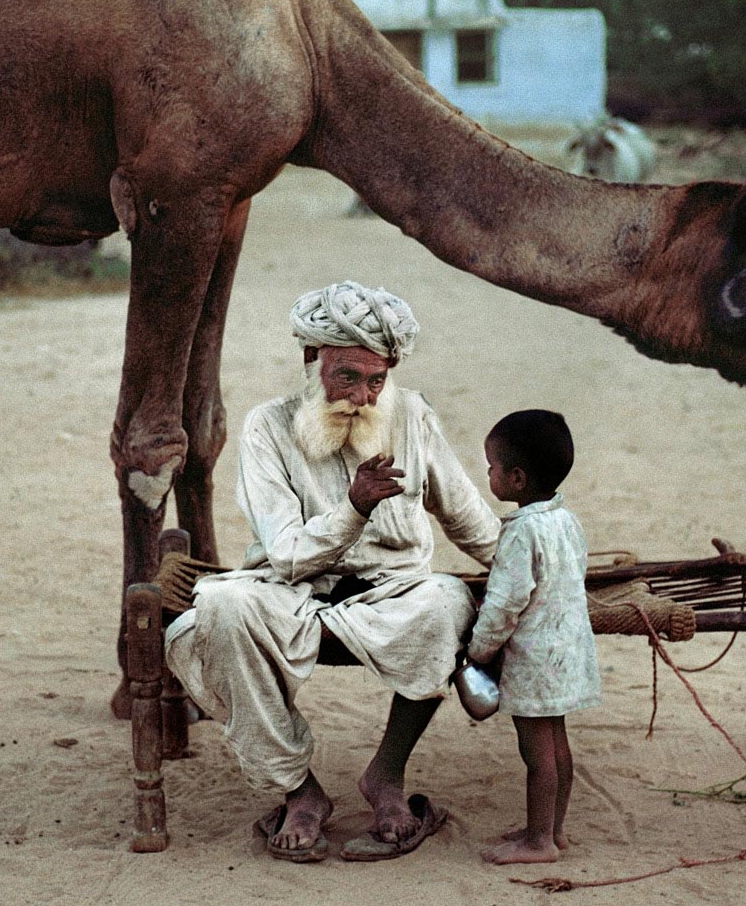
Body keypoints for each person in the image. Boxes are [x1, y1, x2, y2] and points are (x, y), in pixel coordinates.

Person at [164, 281, 501, 862]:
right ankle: (300, 792)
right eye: (346, 376)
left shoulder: (412, 414)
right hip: (290, 589)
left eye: (377, 379)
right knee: (219, 609)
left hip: (394, 591)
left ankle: (386, 779)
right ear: (310, 360)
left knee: (447, 604)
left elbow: (467, 516)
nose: (362, 396)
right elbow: (289, 553)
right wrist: (354, 508)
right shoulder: (267, 426)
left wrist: (528, 568)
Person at [464, 410, 602, 865]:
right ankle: (553, 830)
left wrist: (479, 650)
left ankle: (538, 842)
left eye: (492, 467)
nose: (488, 474)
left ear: (517, 478)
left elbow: (505, 603)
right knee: (558, 746)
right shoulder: (566, 520)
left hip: (536, 660)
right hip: (567, 651)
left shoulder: (522, 533)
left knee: (536, 753)